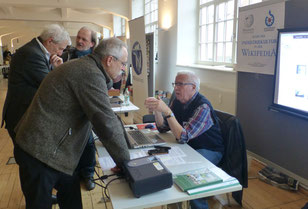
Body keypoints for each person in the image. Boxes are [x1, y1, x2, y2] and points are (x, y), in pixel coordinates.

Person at [13, 37, 130, 209]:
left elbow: (107, 116)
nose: (123, 68)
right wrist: (126, 163)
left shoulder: (88, 67)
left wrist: (124, 150)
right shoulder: (89, 73)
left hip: (55, 149)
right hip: (39, 151)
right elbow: (105, 122)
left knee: (72, 201)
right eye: (123, 63)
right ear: (109, 60)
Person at [144, 71, 224, 209]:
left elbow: (183, 137)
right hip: (189, 146)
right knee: (166, 170)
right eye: (175, 84)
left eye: (180, 84)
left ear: (193, 87)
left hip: (209, 149)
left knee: (190, 177)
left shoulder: (203, 107)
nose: (176, 88)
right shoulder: (178, 102)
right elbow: (163, 127)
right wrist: (157, 110)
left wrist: (168, 112)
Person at [2, 24, 71, 144]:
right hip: (21, 117)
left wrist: (55, 68)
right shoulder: (31, 54)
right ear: (50, 41)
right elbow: (50, 86)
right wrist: (59, 70)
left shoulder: (37, 51)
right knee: (29, 160)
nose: (60, 53)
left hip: (26, 116)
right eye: (60, 48)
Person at [61, 26, 97, 191]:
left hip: (85, 108)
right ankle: (71, 173)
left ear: (92, 43)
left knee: (88, 143)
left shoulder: (95, 60)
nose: (80, 41)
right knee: (68, 143)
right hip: (66, 109)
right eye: (79, 38)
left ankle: (88, 174)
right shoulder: (66, 55)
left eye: (84, 39)